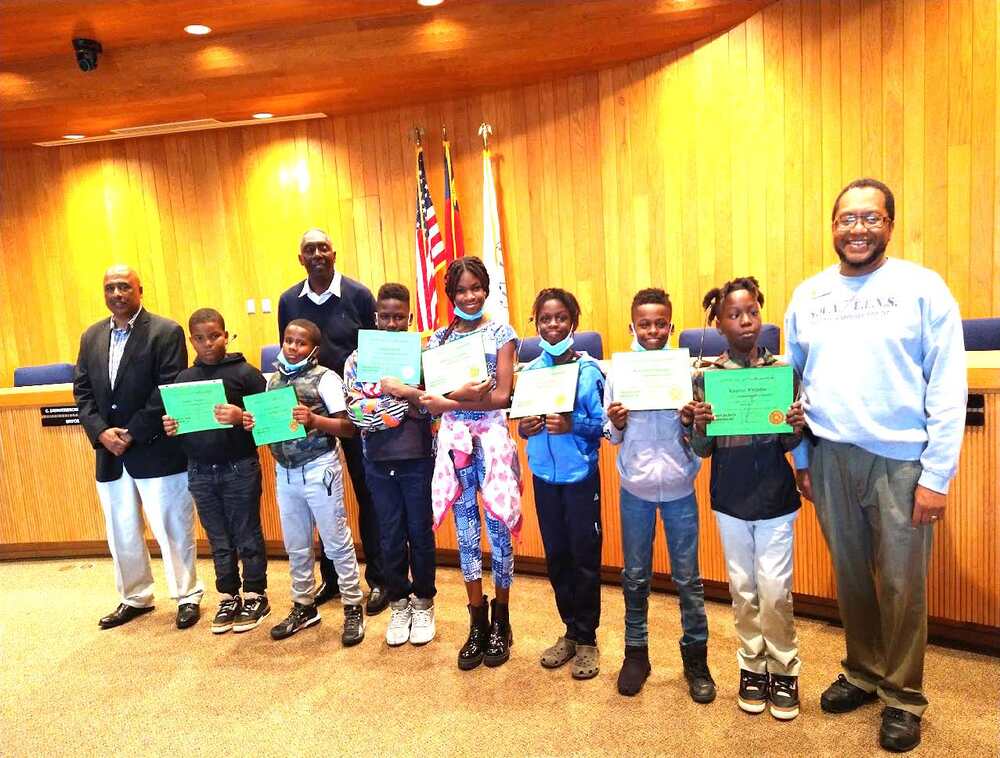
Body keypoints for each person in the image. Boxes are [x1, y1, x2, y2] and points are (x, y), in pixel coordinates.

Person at [785, 178, 967, 752]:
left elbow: (947, 384)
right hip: (831, 456)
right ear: (832, 225)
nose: (857, 229)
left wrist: (936, 475)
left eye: (871, 218)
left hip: (901, 462)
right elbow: (793, 382)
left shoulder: (922, 288)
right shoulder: (808, 295)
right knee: (850, 576)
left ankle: (904, 696)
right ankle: (863, 671)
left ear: (890, 224)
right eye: (847, 219)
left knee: (902, 585)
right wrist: (803, 456)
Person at [689, 278, 805, 720]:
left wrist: (795, 425)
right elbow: (701, 451)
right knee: (743, 589)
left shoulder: (782, 372)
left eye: (752, 312)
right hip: (730, 501)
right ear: (719, 323)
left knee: (775, 591)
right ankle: (752, 667)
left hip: (776, 498)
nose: (745, 322)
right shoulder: (707, 377)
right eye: (734, 315)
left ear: (761, 314)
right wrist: (699, 425)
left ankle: (785, 668)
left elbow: (789, 445)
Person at [73, 265, 203, 630]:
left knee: (171, 526)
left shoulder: (165, 331)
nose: (117, 293)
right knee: (121, 529)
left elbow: (167, 389)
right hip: (109, 455)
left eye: (124, 287)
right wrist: (101, 433)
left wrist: (129, 433)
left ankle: (187, 594)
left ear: (139, 290)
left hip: (155, 449)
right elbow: (82, 391)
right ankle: (136, 596)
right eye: (110, 287)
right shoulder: (91, 336)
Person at [603, 287, 715, 701]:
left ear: (671, 325)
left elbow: (698, 435)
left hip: (680, 488)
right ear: (632, 326)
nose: (653, 330)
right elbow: (611, 435)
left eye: (660, 323)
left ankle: (695, 659)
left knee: (688, 578)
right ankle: (636, 653)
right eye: (644, 324)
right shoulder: (620, 369)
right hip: (635, 489)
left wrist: (690, 421)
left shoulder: (684, 370)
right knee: (634, 576)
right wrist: (616, 421)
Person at [277, 228, 387, 615]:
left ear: (334, 253)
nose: (318, 254)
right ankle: (333, 579)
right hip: (311, 420)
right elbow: (289, 362)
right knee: (316, 501)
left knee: (368, 494)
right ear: (301, 258)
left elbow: (376, 353)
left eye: (324, 247)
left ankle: (380, 578)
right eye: (310, 249)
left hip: (354, 412)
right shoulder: (289, 300)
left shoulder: (357, 295)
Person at [420, 257, 521, 670]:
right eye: (461, 290)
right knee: (465, 536)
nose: (470, 296)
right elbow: (428, 396)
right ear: (451, 295)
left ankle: (502, 619)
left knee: (498, 532)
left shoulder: (502, 332)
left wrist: (448, 401)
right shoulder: (438, 340)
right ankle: (476, 621)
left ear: (487, 289)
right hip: (454, 446)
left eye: (477, 287)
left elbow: (501, 396)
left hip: (492, 443)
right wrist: (445, 401)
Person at [244, 318, 366, 646]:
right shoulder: (272, 381)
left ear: (314, 349)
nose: (293, 348)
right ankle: (304, 605)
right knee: (296, 545)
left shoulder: (325, 379)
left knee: (335, 541)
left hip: (319, 468)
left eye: (301, 343)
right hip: (284, 471)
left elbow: (348, 428)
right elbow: (268, 424)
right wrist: (254, 422)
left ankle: (353, 605)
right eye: (288, 341)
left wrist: (314, 419)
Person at [162, 308, 270, 634]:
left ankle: (255, 593)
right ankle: (228, 594)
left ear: (226, 335)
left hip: (240, 467)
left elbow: (269, 423)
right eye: (200, 338)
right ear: (191, 341)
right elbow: (183, 429)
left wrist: (241, 417)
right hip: (200, 471)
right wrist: (173, 427)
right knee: (218, 539)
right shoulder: (182, 380)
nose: (208, 343)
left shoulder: (246, 374)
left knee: (247, 534)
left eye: (214, 336)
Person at [517, 288, 605, 680]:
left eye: (561, 318)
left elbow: (601, 425)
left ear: (574, 322)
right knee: (557, 558)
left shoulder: (588, 372)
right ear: (535, 324)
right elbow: (522, 424)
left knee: (584, 558)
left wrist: (574, 424)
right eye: (545, 319)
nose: (553, 325)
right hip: (543, 477)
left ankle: (587, 639)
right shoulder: (531, 372)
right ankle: (570, 631)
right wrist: (526, 427)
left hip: (580, 476)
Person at [343, 283, 437, 647]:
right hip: (377, 462)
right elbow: (355, 412)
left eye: (400, 317)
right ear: (376, 318)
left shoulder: (424, 356)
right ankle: (399, 602)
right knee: (390, 534)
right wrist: (398, 410)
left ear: (410, 318)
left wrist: (397, 400)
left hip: (416, 457)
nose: (393, 323)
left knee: (420, 533)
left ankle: (424, 600)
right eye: (386, 316)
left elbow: (430, 404)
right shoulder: (356, 359)